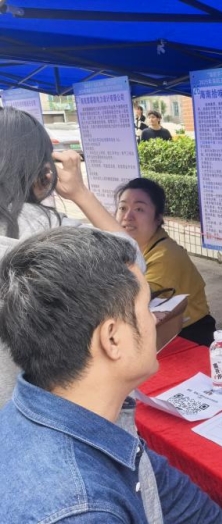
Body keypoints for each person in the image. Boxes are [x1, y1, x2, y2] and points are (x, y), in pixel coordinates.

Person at [0, 228, 222, 523]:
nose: (156, 318)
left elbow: (192, 510)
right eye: (147, 307)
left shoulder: (87, 418)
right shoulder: (82, 510)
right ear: (112, 339)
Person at [0, 106, 135, 404]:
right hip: (35, 410)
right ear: (42, 170)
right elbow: (132, 263)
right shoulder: (51, 231)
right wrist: (79, 193)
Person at [116, 177, 217, 346]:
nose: (127, 216)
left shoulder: (166, 255)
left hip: (189, 335)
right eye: (122, 208)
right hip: (156, 329)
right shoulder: (127, 246)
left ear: (158, 218)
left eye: (139, 209)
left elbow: (134, 301)